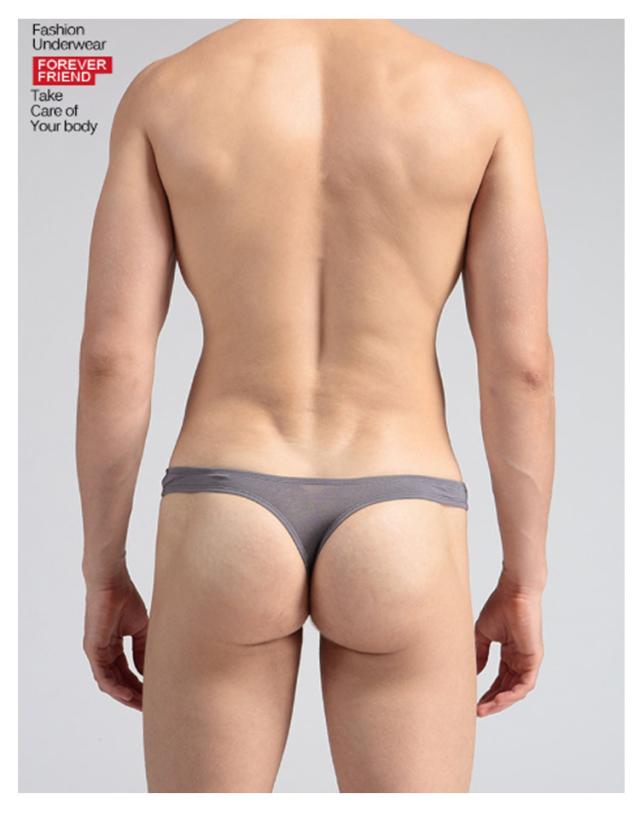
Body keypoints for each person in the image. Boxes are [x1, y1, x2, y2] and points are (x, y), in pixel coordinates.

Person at [76, 19, 555, 793]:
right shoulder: (479, 101)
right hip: (403, 510)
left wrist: (104, 571)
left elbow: (112, 358)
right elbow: (520, 368)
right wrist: (524, 579)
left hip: (225, 508)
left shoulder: (167, 92)